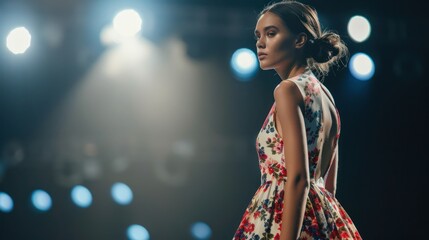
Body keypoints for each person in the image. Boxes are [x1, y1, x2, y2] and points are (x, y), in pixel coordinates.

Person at [232, 1, 363, 239]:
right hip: (323, 217)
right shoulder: (326, 96)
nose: (260, 43)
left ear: (299, 40)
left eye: (271, 33)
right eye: (258, 35)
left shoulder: (287, 90)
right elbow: (328, 186)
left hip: (284, 221)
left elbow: (299, 177)